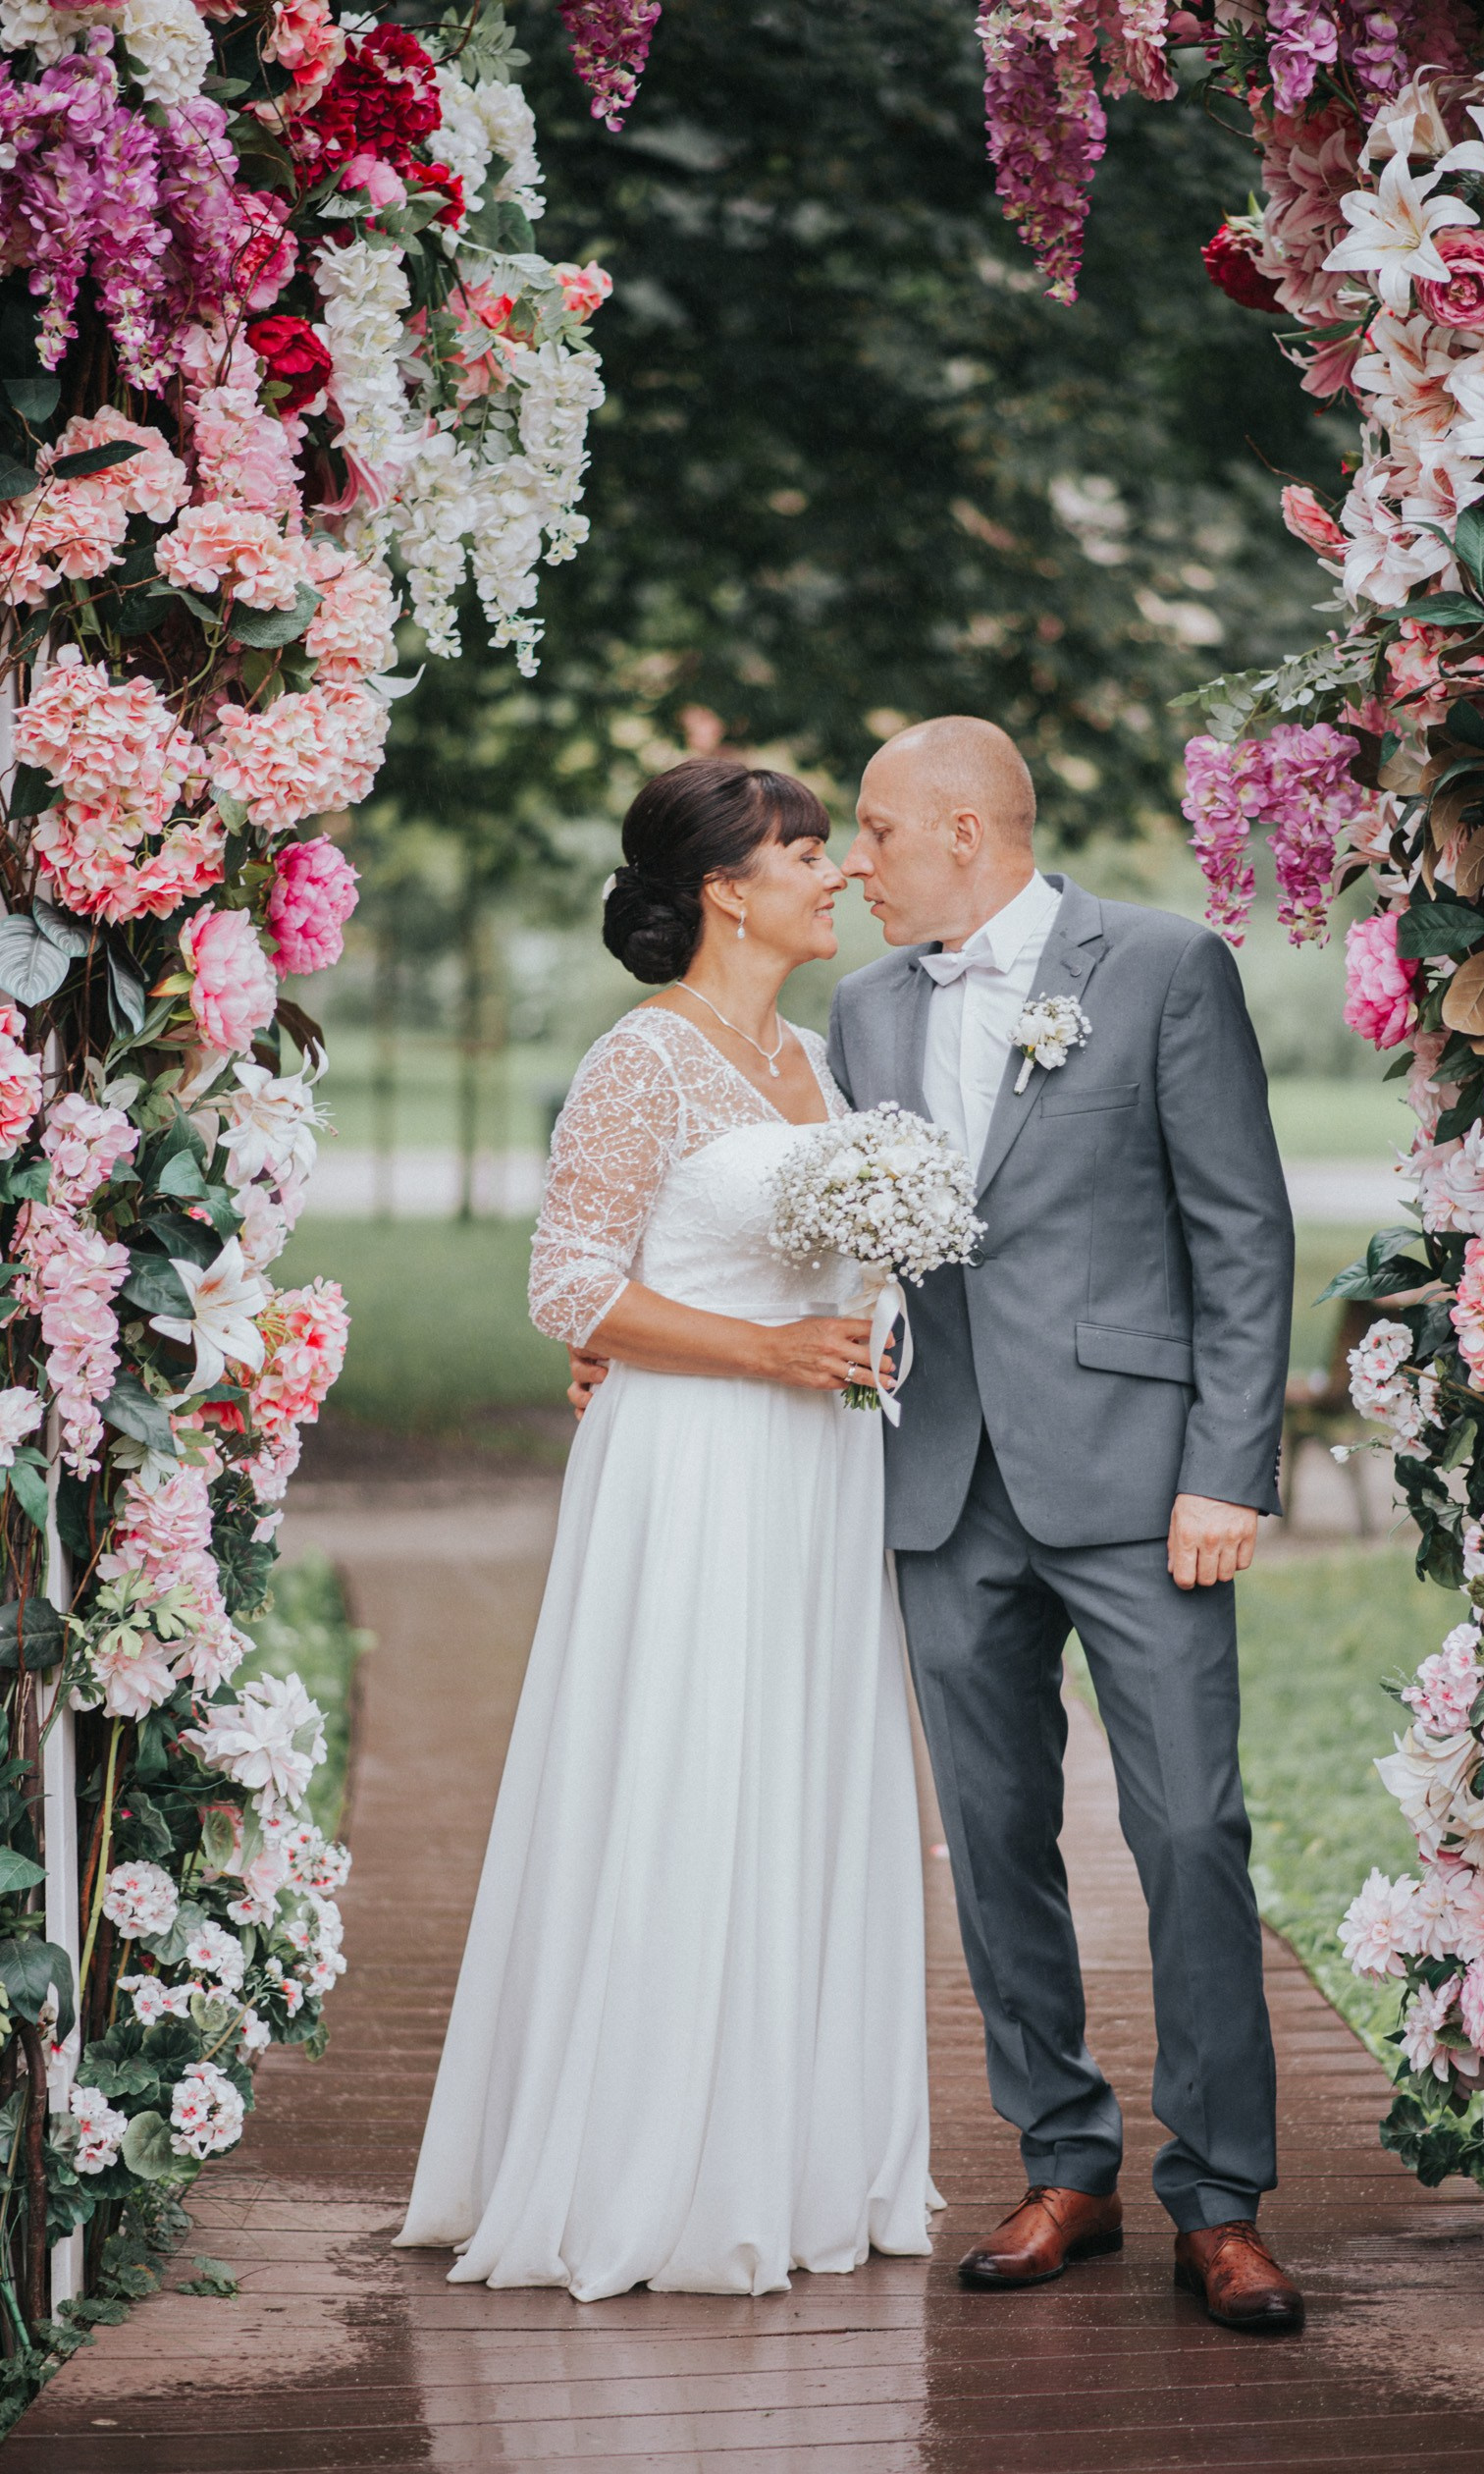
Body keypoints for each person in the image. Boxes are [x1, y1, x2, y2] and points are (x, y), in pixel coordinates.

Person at [395, 755, 935, 2300]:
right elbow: (568, 1286)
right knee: (689, 1763)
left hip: (817, 1475)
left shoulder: (817, 1059)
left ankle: (796, 2145)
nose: (834, 875)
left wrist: (856, 1323)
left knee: (796, 1769)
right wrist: (758, 1351)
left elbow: (819, 1260)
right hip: (694, 1468)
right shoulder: (644, 1057)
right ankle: (646, 2163)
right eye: (810, 853)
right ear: (727, 889)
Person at [826, 715, 1303, 2333]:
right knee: (993, 1845)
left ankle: (1219, 2196)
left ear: (966, 831)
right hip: (943, 1488)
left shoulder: (1162, 964)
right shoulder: (862, 1008)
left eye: (877, 832)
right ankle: (1064, 2164)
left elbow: (1239, 1229)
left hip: (1137, 1482)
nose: (851, 864)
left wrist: (1227, 1470)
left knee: (1186, 1832)